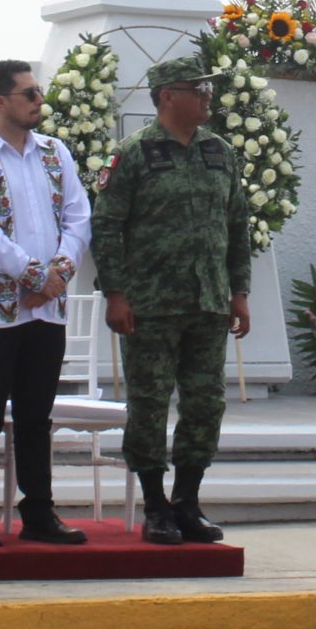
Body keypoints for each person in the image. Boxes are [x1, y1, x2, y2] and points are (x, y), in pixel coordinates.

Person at [92, 55, 252, 544]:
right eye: (196, 89)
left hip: (208, 302)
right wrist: (115, 294)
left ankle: (187, 501)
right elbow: (107, 227)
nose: (207, 96)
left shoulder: (220, 152)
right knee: (149, 403)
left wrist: (240, 292)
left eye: (208, 89)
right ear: (167, 96)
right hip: (150, 306)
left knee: (206, 404)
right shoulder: (134, 154)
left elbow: (236, 225)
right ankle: (155, 506)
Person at [0, 60, 94, 546]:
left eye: (38, 92)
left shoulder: (55, 152)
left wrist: (58, 275)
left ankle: (38, 512)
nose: (38, 100)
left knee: (36, 416)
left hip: (46, 310)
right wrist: (36, 274)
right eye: (29, 93)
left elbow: (78, 217)